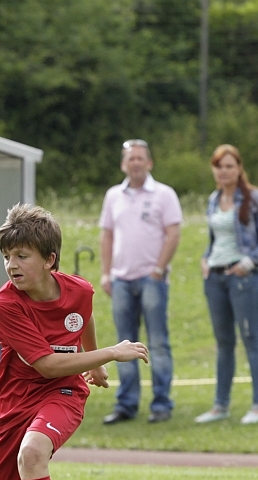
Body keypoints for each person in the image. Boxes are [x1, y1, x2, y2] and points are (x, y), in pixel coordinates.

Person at [0, 204, 149, 480]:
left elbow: (83, 314)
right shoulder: (6, 305)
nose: (11, 265)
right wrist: (109, 353)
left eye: (22, 256)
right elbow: (46, 364)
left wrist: (92, 363)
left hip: (62, 391)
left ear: (49, 260)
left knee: (32, 453)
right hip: (15, 401)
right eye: (7, 256)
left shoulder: (79, 289)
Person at [98, 139, 182, 425]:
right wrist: (106, 273)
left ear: (149, 163)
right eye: (130, 158)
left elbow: (173, 233)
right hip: (121, 280)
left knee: (157, 342)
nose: (135, 163)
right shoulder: (113, 196)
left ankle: (161, 403)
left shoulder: (164, 194)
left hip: (151, 280)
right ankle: (127, 403)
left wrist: (159, 269)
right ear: (124, 164)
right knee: (124, 344)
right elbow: (107, 235)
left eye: (140, 158)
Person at [195, 144, 258, 425]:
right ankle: (221, 405)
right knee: (223, 342)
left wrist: (248, 263)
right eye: (219, 166)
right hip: (215, 278)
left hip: (243, 279)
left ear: (239, 168)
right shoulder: (213, 199)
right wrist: (205, 259)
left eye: (229, 166)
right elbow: (215, 239)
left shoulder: (254, 198)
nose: (224, 171)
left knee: (251, 338)